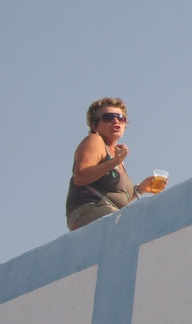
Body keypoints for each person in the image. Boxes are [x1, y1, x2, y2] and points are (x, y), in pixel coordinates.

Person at [66, 98, 162, 231]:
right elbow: (81, 177)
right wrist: (115, 161)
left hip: (109, 213)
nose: (116, 121)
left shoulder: (117, 156)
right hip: (90, 210)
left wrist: (140, 189)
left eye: (121, 118)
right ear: (95, 125)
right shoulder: (95, 141)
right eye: (108, 118)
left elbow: (115, 198)